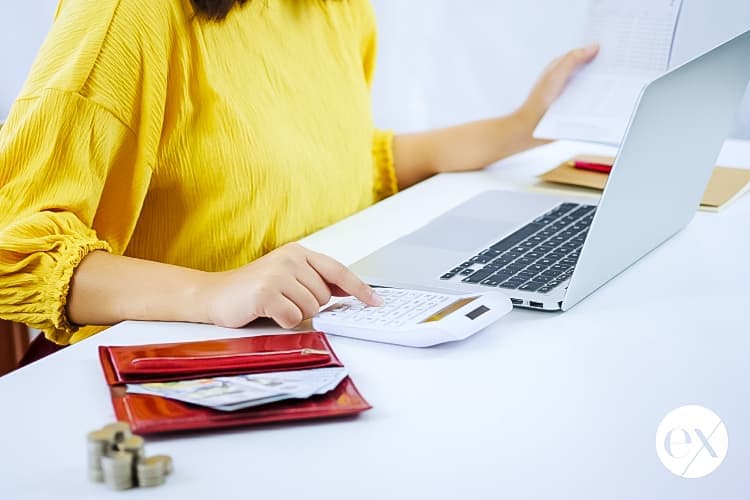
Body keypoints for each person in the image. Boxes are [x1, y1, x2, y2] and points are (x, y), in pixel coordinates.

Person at [0, 0, 597, 347]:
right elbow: (12, 250)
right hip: (181, 369)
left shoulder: (339, 10)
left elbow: (336, 163)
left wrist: (520, 127)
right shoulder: (128, 15)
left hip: (321, 341)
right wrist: (212, 290)